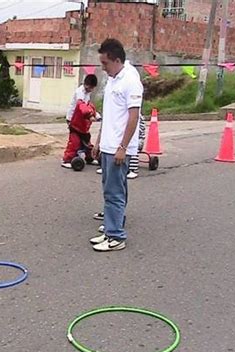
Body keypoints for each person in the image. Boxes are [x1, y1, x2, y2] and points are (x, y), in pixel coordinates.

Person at [89, 38, 143, 252]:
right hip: (109, 145)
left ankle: (116, 236)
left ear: (117, 60)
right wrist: (99, 140)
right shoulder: (113, 78)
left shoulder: (130, 80)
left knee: (114, 193)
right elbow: (111, 114)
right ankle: (113, 225)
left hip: (119, 148)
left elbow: (134, 116)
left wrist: (122, 147)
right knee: (112, 189)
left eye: (105, 63)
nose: (103, 68)